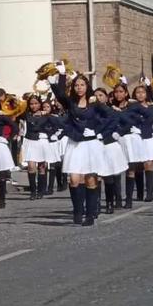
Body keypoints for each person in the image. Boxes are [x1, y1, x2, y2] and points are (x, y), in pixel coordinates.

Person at [51, 65, 105, 226]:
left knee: (90, 180)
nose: (79, 88)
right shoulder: (71, 102)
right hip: (75, 143)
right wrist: (61, 75)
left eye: (82, 85)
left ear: (87, 86)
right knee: (74, 179)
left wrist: (99, 132)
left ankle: (90, 213)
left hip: (91, 144)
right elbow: (60, 94)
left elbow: (109, 118)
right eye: (76, 85)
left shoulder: (94, 102)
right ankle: (77, 210)